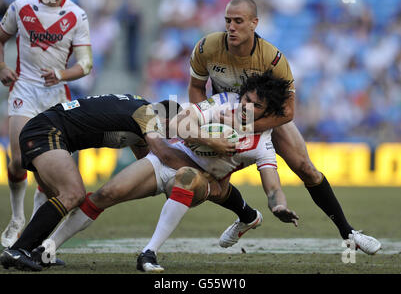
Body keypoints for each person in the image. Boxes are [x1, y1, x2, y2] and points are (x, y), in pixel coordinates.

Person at [21, 72, 298, 273]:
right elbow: (180, 122)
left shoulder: (262, 144)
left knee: (186, 178)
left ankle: (149, 252)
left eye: (255, 105)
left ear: (268, 113)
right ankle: (47, 249)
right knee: (107, 193)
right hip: (167, 159)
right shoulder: (224, 100)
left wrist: (279, 206)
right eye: (246, 98)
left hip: (199, 180)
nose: (245, 106)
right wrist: (209, 139)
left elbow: (273, 187)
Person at [187, 0, 381, 254]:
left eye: (238, 21)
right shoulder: (206, 48)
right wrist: (204, 125)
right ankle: (247, 216)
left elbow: (288, 111)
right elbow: (196, 88)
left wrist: (245, 127)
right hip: (223, 116)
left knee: (306, 169)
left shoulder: (272, 59)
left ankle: (349, 233)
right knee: (215, 186)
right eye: (227, 21)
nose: (231, 27)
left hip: (265, 119)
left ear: (254, 23)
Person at [0, 93, 208, 272]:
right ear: (166, 118)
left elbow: (150, 166)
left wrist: (177, 188)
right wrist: (202, 173)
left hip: (48, 129)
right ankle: (18, 250)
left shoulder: (140, 113)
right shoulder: (148, 113)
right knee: (72, 194)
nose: (172, 134)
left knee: (60, 197)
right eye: (174, 127)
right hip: (47, 131)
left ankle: (36, 252)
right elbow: (162, 154)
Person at [0, 0, 93, 248]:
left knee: (48, 178)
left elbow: (86, 64)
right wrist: (3, 68)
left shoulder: (77, 15)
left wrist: (62, 73)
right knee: (19, 159)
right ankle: (17, 218)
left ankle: (33, 236)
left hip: (56, 97)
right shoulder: (20, 7)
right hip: (24, 90)